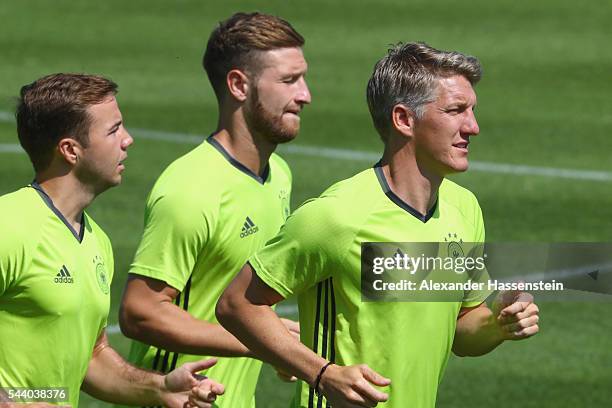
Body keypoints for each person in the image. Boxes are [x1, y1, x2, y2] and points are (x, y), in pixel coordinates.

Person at [216, 42, 540, 408]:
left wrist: (498, 323)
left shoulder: (463, 210)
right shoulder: (336, 217)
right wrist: (322, 373)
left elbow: (461, 332)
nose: (473, 126)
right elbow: (237, 305)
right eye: (455, 110)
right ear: (404, 120)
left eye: (472, 111)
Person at [118, 12, 310, 408]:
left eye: (303, 77)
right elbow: (140, 313)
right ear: (239, 85)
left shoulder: (278, 175)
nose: (306, 94)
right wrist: (262, 343)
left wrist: (270, 344)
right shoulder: (191, 189)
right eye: (289, 80)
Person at [0, 73, 224, 408]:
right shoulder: (10, 225)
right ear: (70, 150)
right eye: (113, 129)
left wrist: (160, 388)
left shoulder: (95, 241)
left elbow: (92, 358)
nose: (128, 139)